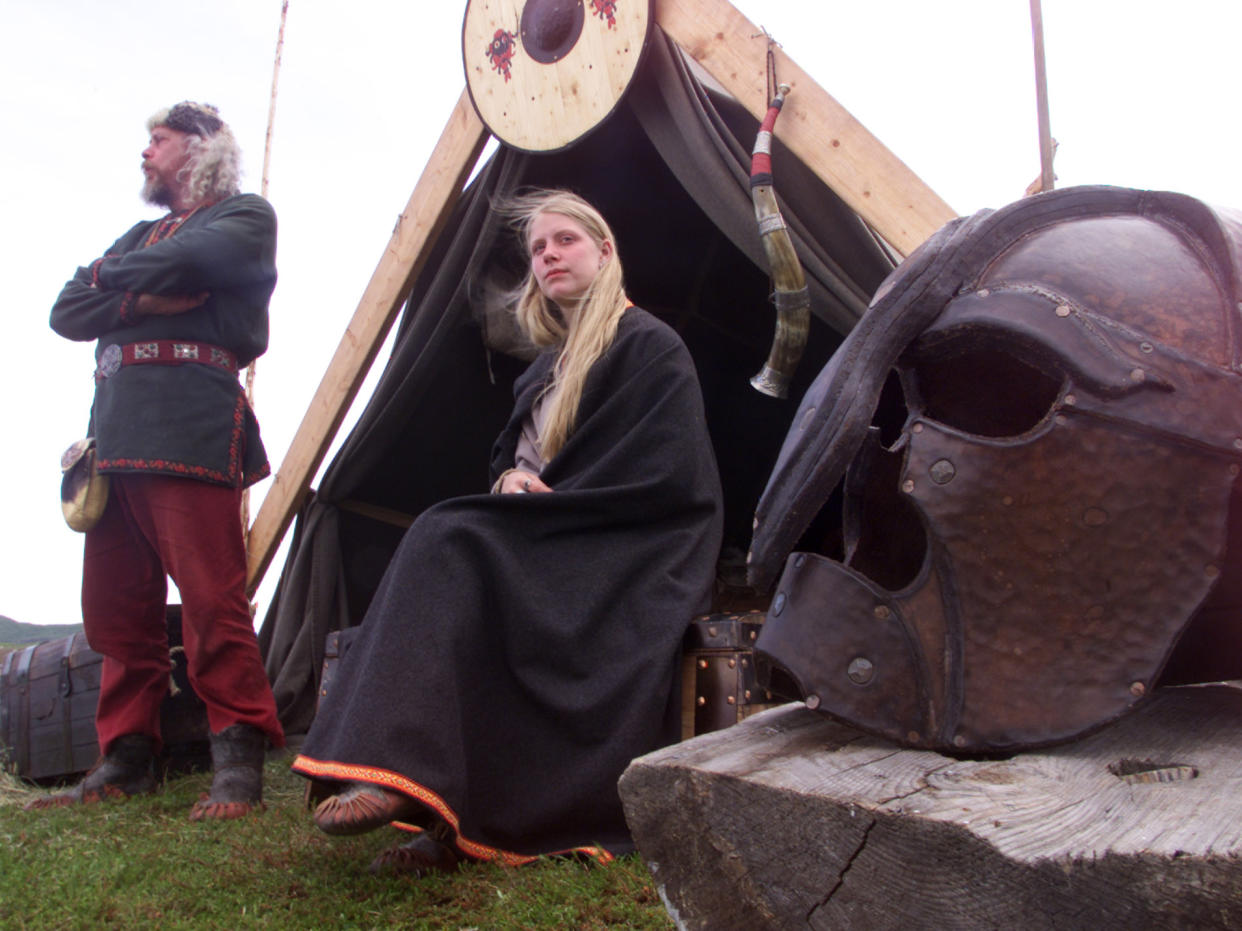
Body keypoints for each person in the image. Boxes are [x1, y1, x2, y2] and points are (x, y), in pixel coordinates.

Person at [292, 189, 723, 874]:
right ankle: (432, 804)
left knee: (450, 535)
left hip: (620, 547)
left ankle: (396, 772)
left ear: (605, 251)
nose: (548, 255)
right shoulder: (541, 372)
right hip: (547, 536)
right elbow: (513, 466)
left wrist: (557, 502)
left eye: (565, 241)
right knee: (462, 550)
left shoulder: (649, 346)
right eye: (537, 249)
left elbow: (671, 478)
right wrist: (509, 487)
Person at [32, 101, 284, 819]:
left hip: (192, 421)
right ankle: (126, 758)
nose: (146, 151)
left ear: (200, 148)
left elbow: (196, 259)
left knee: (211, 596)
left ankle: (238, 764)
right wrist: (140, 293)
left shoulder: (244, 216)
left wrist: (111, 283)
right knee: (116, 604)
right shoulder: (140, 234)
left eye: (160, 139)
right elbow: (66, 309)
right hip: (114, 432)